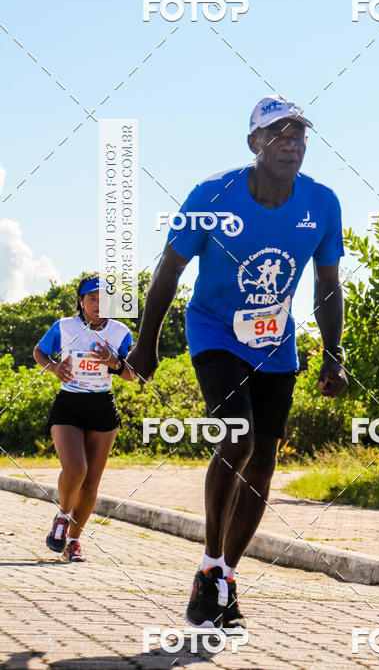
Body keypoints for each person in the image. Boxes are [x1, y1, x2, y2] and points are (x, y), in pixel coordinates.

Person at [128, 96, 348, 630]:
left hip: (277, 344)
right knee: (239, 439)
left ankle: (225, 575)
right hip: (213, 333)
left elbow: (327, 285)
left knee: (265, 465)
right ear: (254, 142)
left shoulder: (321, 202)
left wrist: (335, 354)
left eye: (299, 135)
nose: (290, 143)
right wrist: (145, 342)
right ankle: (208, 566)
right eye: (278, 134)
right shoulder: (213, 195)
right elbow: (169, 269)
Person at [33, 276, 136, 561]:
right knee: (76, 468)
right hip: (69, 404)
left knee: (91, 483)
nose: (98, 305)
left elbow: (134, 374)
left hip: (102, 406)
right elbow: (39, 351)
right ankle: (62, 517)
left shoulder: (120, 332)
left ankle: (73, 542)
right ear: (81, 301)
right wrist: (53, 368)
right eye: (92, 299)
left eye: (105, 300)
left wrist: (114, 363)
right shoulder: (65, 327)